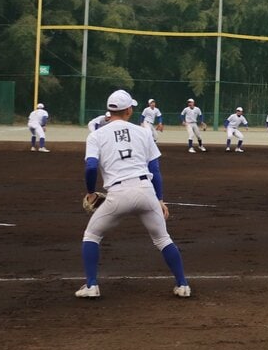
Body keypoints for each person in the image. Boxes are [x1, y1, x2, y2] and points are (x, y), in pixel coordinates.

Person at [76, 89, 191, 300]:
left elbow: (91, 167)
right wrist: (160, 199)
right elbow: (155, 170)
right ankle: (182, 285)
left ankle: (91, 285)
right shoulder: (143, 132)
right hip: (145, 191)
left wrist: (91, 192)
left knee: (91, 236)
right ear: (129, 110)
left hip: (118, 194)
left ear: (110, 111)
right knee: (163, 239)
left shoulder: (96, 135)